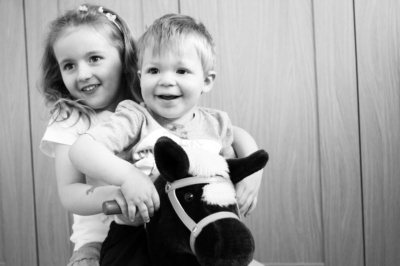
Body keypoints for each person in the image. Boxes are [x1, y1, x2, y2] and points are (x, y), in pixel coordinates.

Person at [69, 13, 264, 266]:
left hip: (200, 240)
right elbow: (82, 150)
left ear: (206, 81)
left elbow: (227, 171)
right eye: (154, 70)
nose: (166, 80)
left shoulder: (217, 124)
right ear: (140, 77)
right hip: (140, 238)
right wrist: (129, 177)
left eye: (181, 70)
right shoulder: (135, 117)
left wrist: (252, 176)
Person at [39, 4, 143, 266]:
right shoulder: (70, 118)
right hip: (97, 244)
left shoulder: (147, 107)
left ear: (124, 55)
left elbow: (219, 130)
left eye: (94, 58)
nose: (83, 74)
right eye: (69, 65)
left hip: (155, 233)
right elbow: (70, 192)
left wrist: (252, 173)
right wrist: (119, 193)